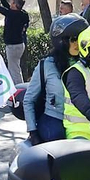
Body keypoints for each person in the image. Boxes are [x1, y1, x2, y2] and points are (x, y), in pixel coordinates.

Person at [25, 14, 84, 145]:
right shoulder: (47, 65)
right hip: (55, 118)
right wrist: (33, 132)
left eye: (81, 39)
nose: (77, 44)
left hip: (82, 120)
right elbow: (29, 100)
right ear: (61, 41)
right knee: (58, 143)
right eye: (73, 39)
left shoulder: (88, 65)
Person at [0, 0, 30, 79]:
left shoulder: (12, 15)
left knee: (14, 70)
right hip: (19, 44)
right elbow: (8, 8)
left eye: (12, 0)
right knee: (15, 68)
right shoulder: (22, 13)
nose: (10, 1)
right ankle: (16, 85)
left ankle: (18, 86)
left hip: (13, 46)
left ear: (15, 5)